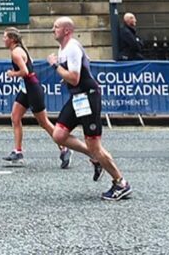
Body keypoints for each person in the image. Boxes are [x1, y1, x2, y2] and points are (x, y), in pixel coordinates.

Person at [46, 17, 132, 201]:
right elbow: (82, 67)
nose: (53, 29)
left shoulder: (72, 48)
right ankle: (95, 159)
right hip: (78, 98)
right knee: (59, 135)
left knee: (95, 145)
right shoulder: (65, 48)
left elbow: (75, 78)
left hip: (88, 97)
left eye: (56, 27)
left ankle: (121, 183)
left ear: (67, 30)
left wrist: (55, 66)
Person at [2, 27, 80, 168]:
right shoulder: (20, 49)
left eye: (5, 37)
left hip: (32, 90)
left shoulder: (16, 52)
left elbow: (25, 72)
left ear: (12, 39)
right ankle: (18, 151)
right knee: (15, 117)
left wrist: (12, 74)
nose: (3, 39)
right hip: (26, 90)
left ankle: (64, 148)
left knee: (44, 122)